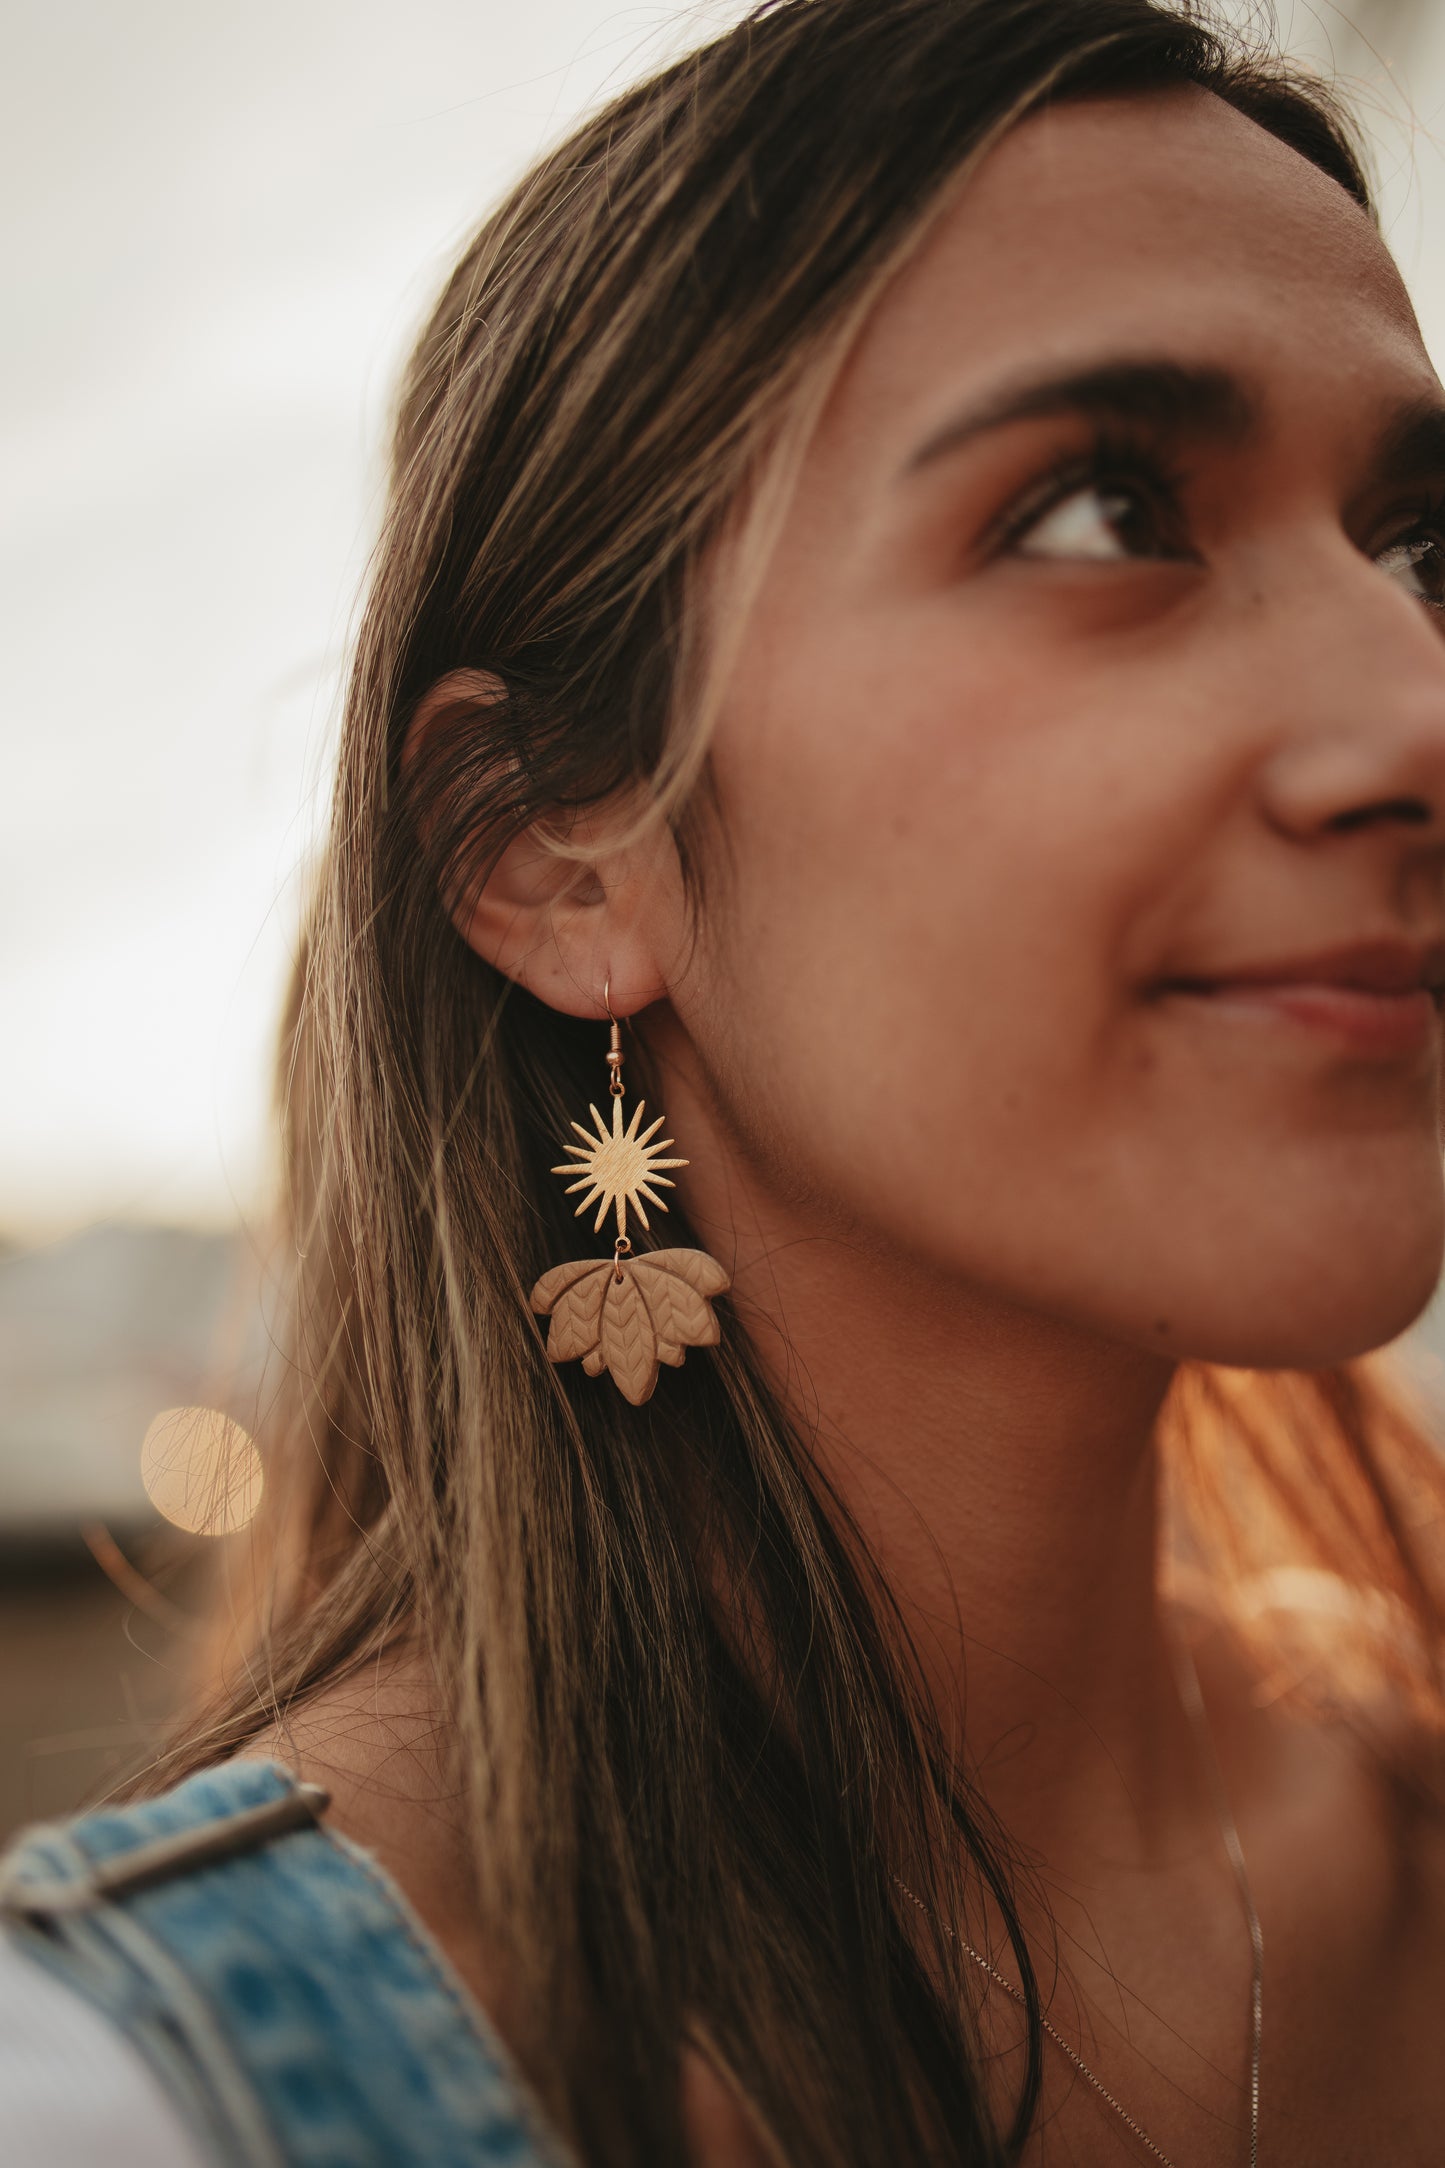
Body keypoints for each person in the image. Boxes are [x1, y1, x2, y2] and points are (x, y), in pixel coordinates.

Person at [7, 0, 1445, 2159]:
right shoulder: (138, 2101)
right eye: (1100, 513)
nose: (1410, 709)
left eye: (1419, 551)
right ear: (550, 850)